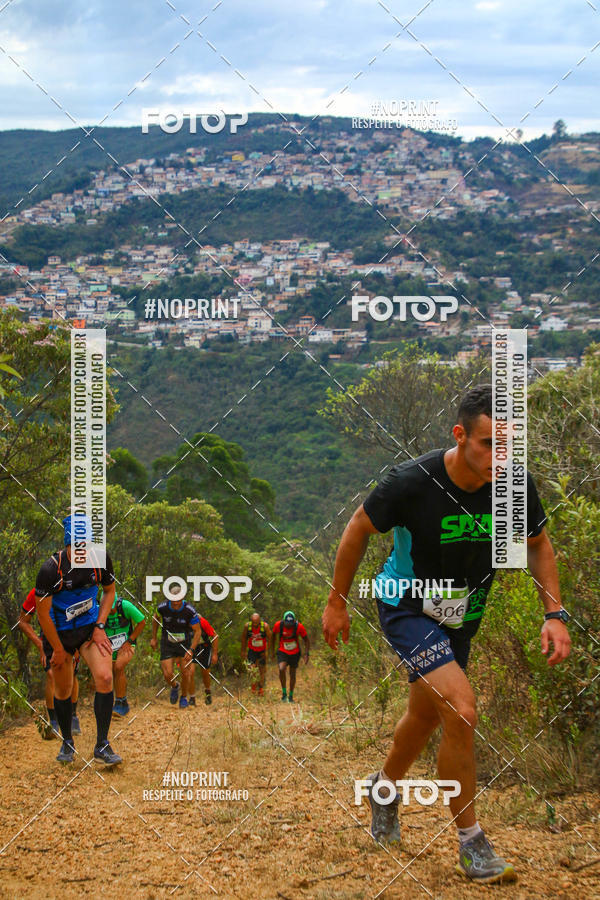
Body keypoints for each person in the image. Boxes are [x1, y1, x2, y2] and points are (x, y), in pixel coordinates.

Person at [322, 384, 571, 885]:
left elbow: (539, 544)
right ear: (459, 435)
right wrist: (336, 601)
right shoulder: (413, 482)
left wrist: (555, 613)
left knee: (423, 716)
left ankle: (383, 789)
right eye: (487, 445)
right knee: (460, 708)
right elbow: (357, 527)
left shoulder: (513, 486)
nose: (499, 458)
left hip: (461, 614)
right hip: (407, 603)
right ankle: (472, 843)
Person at [35, 513, 122, 766]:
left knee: (105, 677)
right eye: (76, 547)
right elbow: (43, 615)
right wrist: (59, 650)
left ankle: (102, 745)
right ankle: (67, 742)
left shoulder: (101, 560)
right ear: (67, 545)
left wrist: (100, 626)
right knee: (63, 688)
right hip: (59, 632)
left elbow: (109, 592)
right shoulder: (51, 569)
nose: (82, 553)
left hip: (89, 629)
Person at [18, 587, 80, 738]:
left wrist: (79, 644)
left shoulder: (74, 588)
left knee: (71, 674)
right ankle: (53, 722)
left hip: (71, 635)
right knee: (52, 675)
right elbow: (23, 621)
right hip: (48, 639)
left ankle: (72, 716)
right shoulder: (37, 592)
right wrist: (39, 645)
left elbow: (83, 617)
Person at [150, 585, 218, 708]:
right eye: (173, 602)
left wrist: (193, 650)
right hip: (167, 642)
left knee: (189, 673)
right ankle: (175, 687)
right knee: (168, 674)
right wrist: (154, 637)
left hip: (189, 644)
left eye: (178, 602)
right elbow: (156, 619)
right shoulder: (162, 608)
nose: (176, 605)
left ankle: (185, 697)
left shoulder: (191, 612)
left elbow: (200, 632)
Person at [105, 594, 146, 716]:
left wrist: (130, 640)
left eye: (112, 608)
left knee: (119, 667)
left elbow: (142, 622)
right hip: (108, 645)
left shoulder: (126, 606)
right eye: (108, 607)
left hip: (126, 644)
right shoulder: (98, 608)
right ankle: (122, 702)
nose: (110, 610)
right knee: (111, 672)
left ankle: (119, 702)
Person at [271, 610, 309, 702]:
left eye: (291, 624)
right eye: (287, 624)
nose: (289, 625)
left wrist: (306, 654)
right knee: (281, 669)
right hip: (282, 651)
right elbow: (273, 637)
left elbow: (306, 640)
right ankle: (284, 694)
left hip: (295, 652)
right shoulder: (278, 625)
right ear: (284, 621)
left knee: (292, 674)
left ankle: (291, 696)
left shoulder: (299, 626)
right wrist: (272, 651)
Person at [241, 613, 271, 695]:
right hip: (252, 651)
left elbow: (270, 638)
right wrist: (243, 651)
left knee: (262, 670)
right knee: (252, 669)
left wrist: (267, 651)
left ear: (259, 621)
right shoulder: (247, 627)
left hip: (262, 651)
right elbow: (244, 638)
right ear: (251, 621)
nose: (255, 625)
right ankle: (253, 688)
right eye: (253, 623)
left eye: (256, 623)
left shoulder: (265, 626)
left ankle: (261, 688)